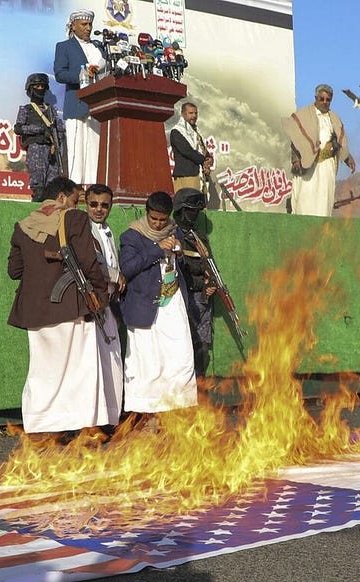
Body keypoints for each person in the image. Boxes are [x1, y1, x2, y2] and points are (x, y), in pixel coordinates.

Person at [7, 176, 114, 441]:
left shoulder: (23, 225)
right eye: (75, 200)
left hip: (34, 311)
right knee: (81, 371)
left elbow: (14, 270)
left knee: (43, 373)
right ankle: (87, 431)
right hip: (70, 308)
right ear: (62, 197)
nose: (76, 206)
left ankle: (42, 432)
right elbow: (89, 263)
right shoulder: (73, 218)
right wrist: (100, 293)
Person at [119, 191, 199, 420]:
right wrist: (157, 249)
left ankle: (175, 411)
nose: (158, 223)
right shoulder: (132, 236)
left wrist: (179, 252)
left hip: (172, 303)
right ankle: (146, 415)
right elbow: (128, 268)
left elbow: (178, 263)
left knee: (179, 357)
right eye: (153, 219)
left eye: (162, 219)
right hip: (145, 306)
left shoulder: (175, 231)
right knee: (147, 362)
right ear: (147, 214)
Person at [283, 84, 356, 217]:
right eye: (322, 99)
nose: (325, 102)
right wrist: (296, 160)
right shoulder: (304, 115)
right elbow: (296, 140)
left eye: (328, 100)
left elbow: (339, 143)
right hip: (308, 165)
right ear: (316, 98)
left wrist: (347, 157)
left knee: (324, 201)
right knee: (306, 200)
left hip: (327, 166)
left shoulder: (334, 118)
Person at [53, 9, 107, 185]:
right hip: (77, 104)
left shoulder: (98, 48)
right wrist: (82, 74)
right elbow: (60, 74)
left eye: (90, 24)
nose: (88, 28)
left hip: (97, 106)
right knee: (78, 149)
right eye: (84, 24)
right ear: (73, 26)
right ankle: (76, 188)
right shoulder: (64, 46)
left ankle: (94, 187)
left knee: (95, 149)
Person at [84, 184, 124, 416]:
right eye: (94, 204)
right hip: (92, 304)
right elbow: (92, 263)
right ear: (86, 204)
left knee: (112, 359)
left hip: (108, 303)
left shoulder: (108, 230)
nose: (99, 209)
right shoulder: (83, 229)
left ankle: (111, 416)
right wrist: (116, 275)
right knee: (94, 361)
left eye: (104, 205)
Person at [172, 188, 218, 376]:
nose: (194, 215)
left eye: (196, 211)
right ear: (180, 210)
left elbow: (209, 264)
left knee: (201, 347)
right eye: (190, 210)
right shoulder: (172, 234)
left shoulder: (198, 237)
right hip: (181, 297)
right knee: (182, 345)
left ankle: (200, 385)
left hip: (200, 298)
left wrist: (210, 284)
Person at [14, 73, 68, 202]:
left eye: (42, 86)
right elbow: (18, 128)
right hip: (36, 149)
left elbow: (60, 129)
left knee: (52, 186)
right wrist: (39, 130)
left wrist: (57, 142)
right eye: (37, 86)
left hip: (52, 150)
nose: (40, 89)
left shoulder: (51, 110)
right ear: (30, 89)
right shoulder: (26, 109)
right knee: (38, 186)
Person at [169, 102, 212, 195]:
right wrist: (204, 160)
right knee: (188, 202)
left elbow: (203, 150)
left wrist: (209, 159)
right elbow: (187, 151)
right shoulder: (176, 131)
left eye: (196, 113)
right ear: (183, 114)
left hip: (198, 175)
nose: (194, 116)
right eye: (191, 113)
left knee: (199, 202)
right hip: (186, 175)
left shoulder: (195, 132)